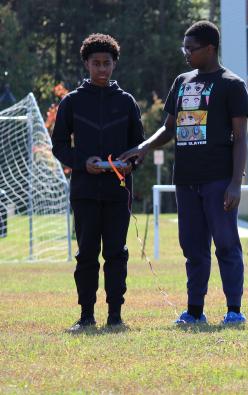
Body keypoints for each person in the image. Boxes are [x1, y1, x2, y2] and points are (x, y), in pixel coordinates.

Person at [119, 21, 248, 325]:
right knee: (193, 248)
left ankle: (234, 310)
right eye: (184, 48)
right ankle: (194, 311)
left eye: (191, 49)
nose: (186, 54)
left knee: (227, 244)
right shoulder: (182, 81)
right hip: (186, 179)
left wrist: (235, 183)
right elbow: (169, 127)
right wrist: (144, 146)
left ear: (210, 48)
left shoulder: (232, 84)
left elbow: (240, 137)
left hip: (219, 179)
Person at [52, 33, 145, 331]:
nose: (102, 69)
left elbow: (138, 147)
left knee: (116, 253)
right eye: (96, 63)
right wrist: (84, 163)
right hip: (85, 192)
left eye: (107, 63)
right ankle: (86, 316)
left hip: (118, 192)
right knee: (87, 254)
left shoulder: (127, 102)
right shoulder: (72, 103)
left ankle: (115, 316)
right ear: (86, 64)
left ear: (115, 64)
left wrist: (129, 165)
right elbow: (59, 146)